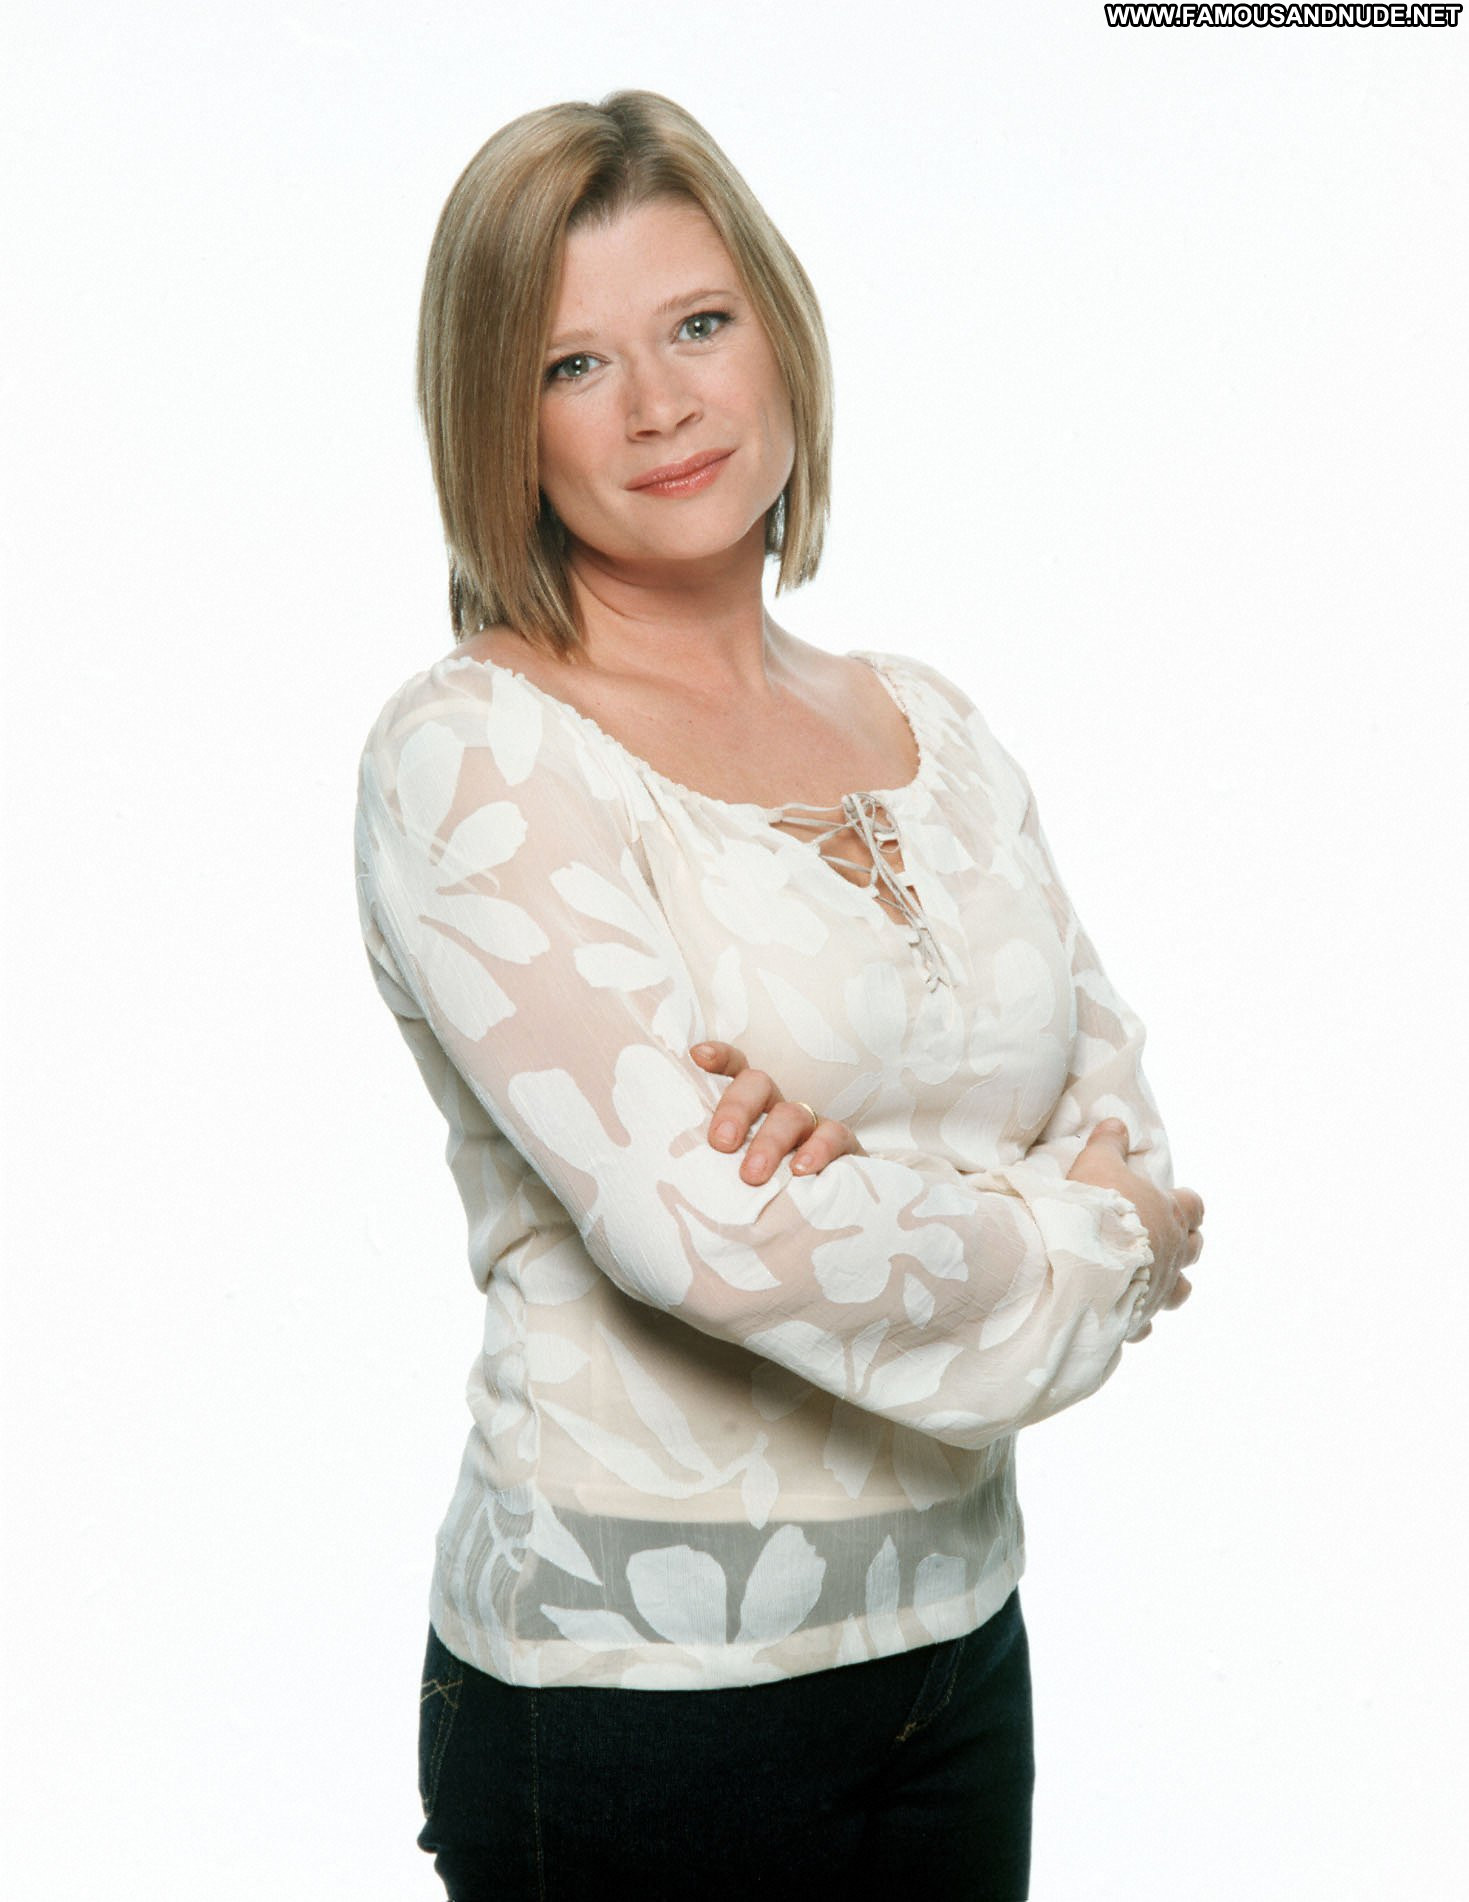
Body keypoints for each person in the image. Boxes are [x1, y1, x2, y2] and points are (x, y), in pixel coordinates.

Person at [353, 87, 1205, 1902]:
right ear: (497, 419)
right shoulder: (479, 751)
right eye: (572, 363)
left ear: (779, 337)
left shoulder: (928, 723)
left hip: (955, 1636)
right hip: (635, 1699)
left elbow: (1115, 1103)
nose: (657, 405)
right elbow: (710, 1231)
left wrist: (870, 1182)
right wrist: (1087, 1242)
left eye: (697, 323)